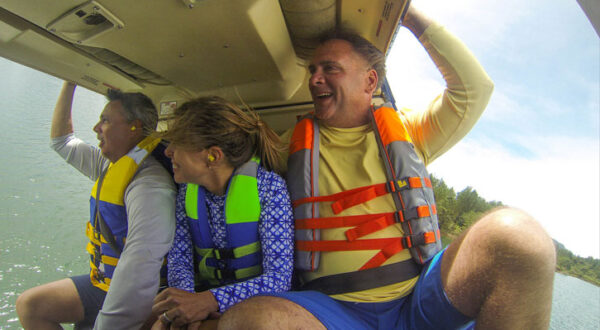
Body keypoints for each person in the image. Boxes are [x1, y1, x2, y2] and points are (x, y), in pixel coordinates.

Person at [218, 3, 556, 330]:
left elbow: (475, 89)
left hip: (419, 299)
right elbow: (227, 160)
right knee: (246, 321)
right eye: (313, 70)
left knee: (519, 237)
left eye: (330, 68)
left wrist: (406, 13)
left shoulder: (410, 130)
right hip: (333, 309)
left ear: (369, 82)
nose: (315, 79)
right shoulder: (289, 143)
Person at [15, 81, 177, 329]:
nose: (96, 128)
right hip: (104, 282)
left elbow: (140, 268)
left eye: (106, 121)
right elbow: (62, 141)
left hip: (145, 295)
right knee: (31, 305)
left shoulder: (150, 186)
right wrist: (71, 81)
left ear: (135, 128)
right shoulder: (110, 165)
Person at [149, 96, 294, 329]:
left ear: (213, 156)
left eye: (177, 144)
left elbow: (278, 279)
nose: (169, 152)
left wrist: (212, 301)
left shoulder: (269, 188)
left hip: (257, 306)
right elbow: (180, 262)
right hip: (202, 299)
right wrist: (187, 310)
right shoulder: (186, 193)